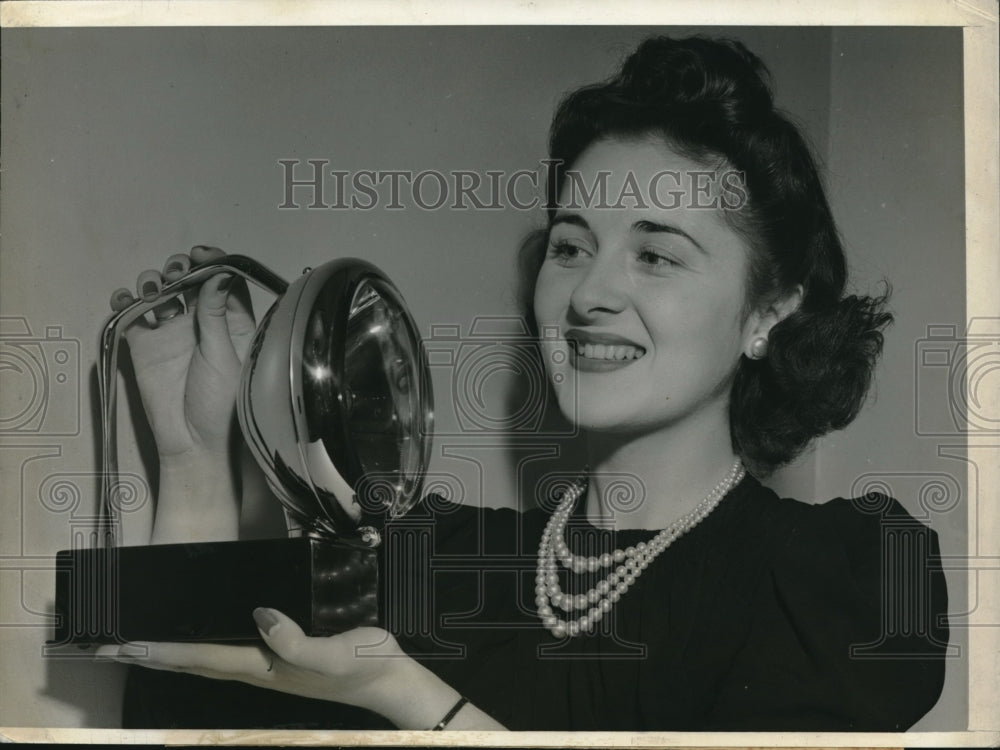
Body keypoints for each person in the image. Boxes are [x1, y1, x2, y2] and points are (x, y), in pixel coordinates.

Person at [98, 35, 948, 731]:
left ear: (769, 311)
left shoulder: (834, 584)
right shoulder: (433, 558)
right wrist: (194, 455)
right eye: (572, 246)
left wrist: (409, 698)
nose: (589, 294)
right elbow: (192, 711)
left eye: (655, 255)